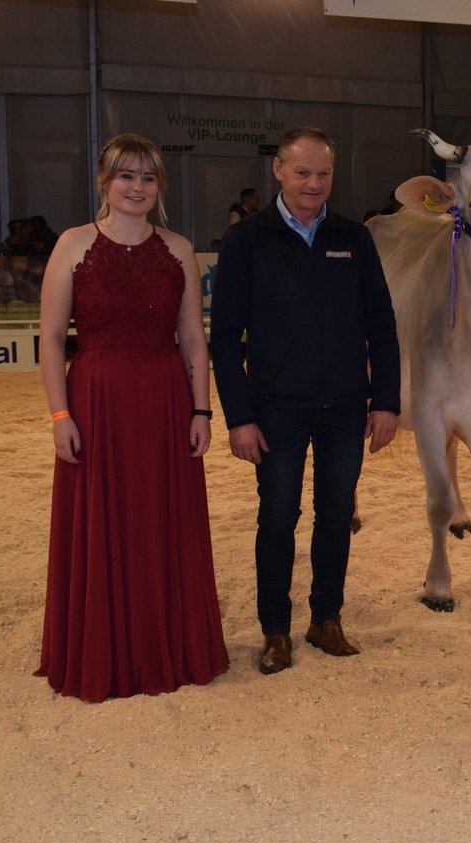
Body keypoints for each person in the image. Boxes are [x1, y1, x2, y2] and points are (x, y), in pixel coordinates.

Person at [36, 133, 228, 702]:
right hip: (95, 403)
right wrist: (60, 415)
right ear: (105, 181)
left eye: (147, 178)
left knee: (162, 523)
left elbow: (193, 339)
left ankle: (165, 648)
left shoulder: (178, 248)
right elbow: (51, 339)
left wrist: (201, 409)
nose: (137, 187)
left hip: (165, 403)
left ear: (159, 187)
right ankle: (106, 654)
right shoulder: (72, 244)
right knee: (101, 522)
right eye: (126, 175)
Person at [210, 127, 401, 675]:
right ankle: (275, 630)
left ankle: (326, 619)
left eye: (323, 173)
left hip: (346, 406)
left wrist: (386, 401)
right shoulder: (246, 239)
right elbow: (225, 337)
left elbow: (381, 323)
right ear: (278, 170)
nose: (313, 183)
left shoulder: (354, 238)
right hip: (276, 408)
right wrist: (239, 417)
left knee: (336, 514)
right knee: (277, 517)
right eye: (302, 172)